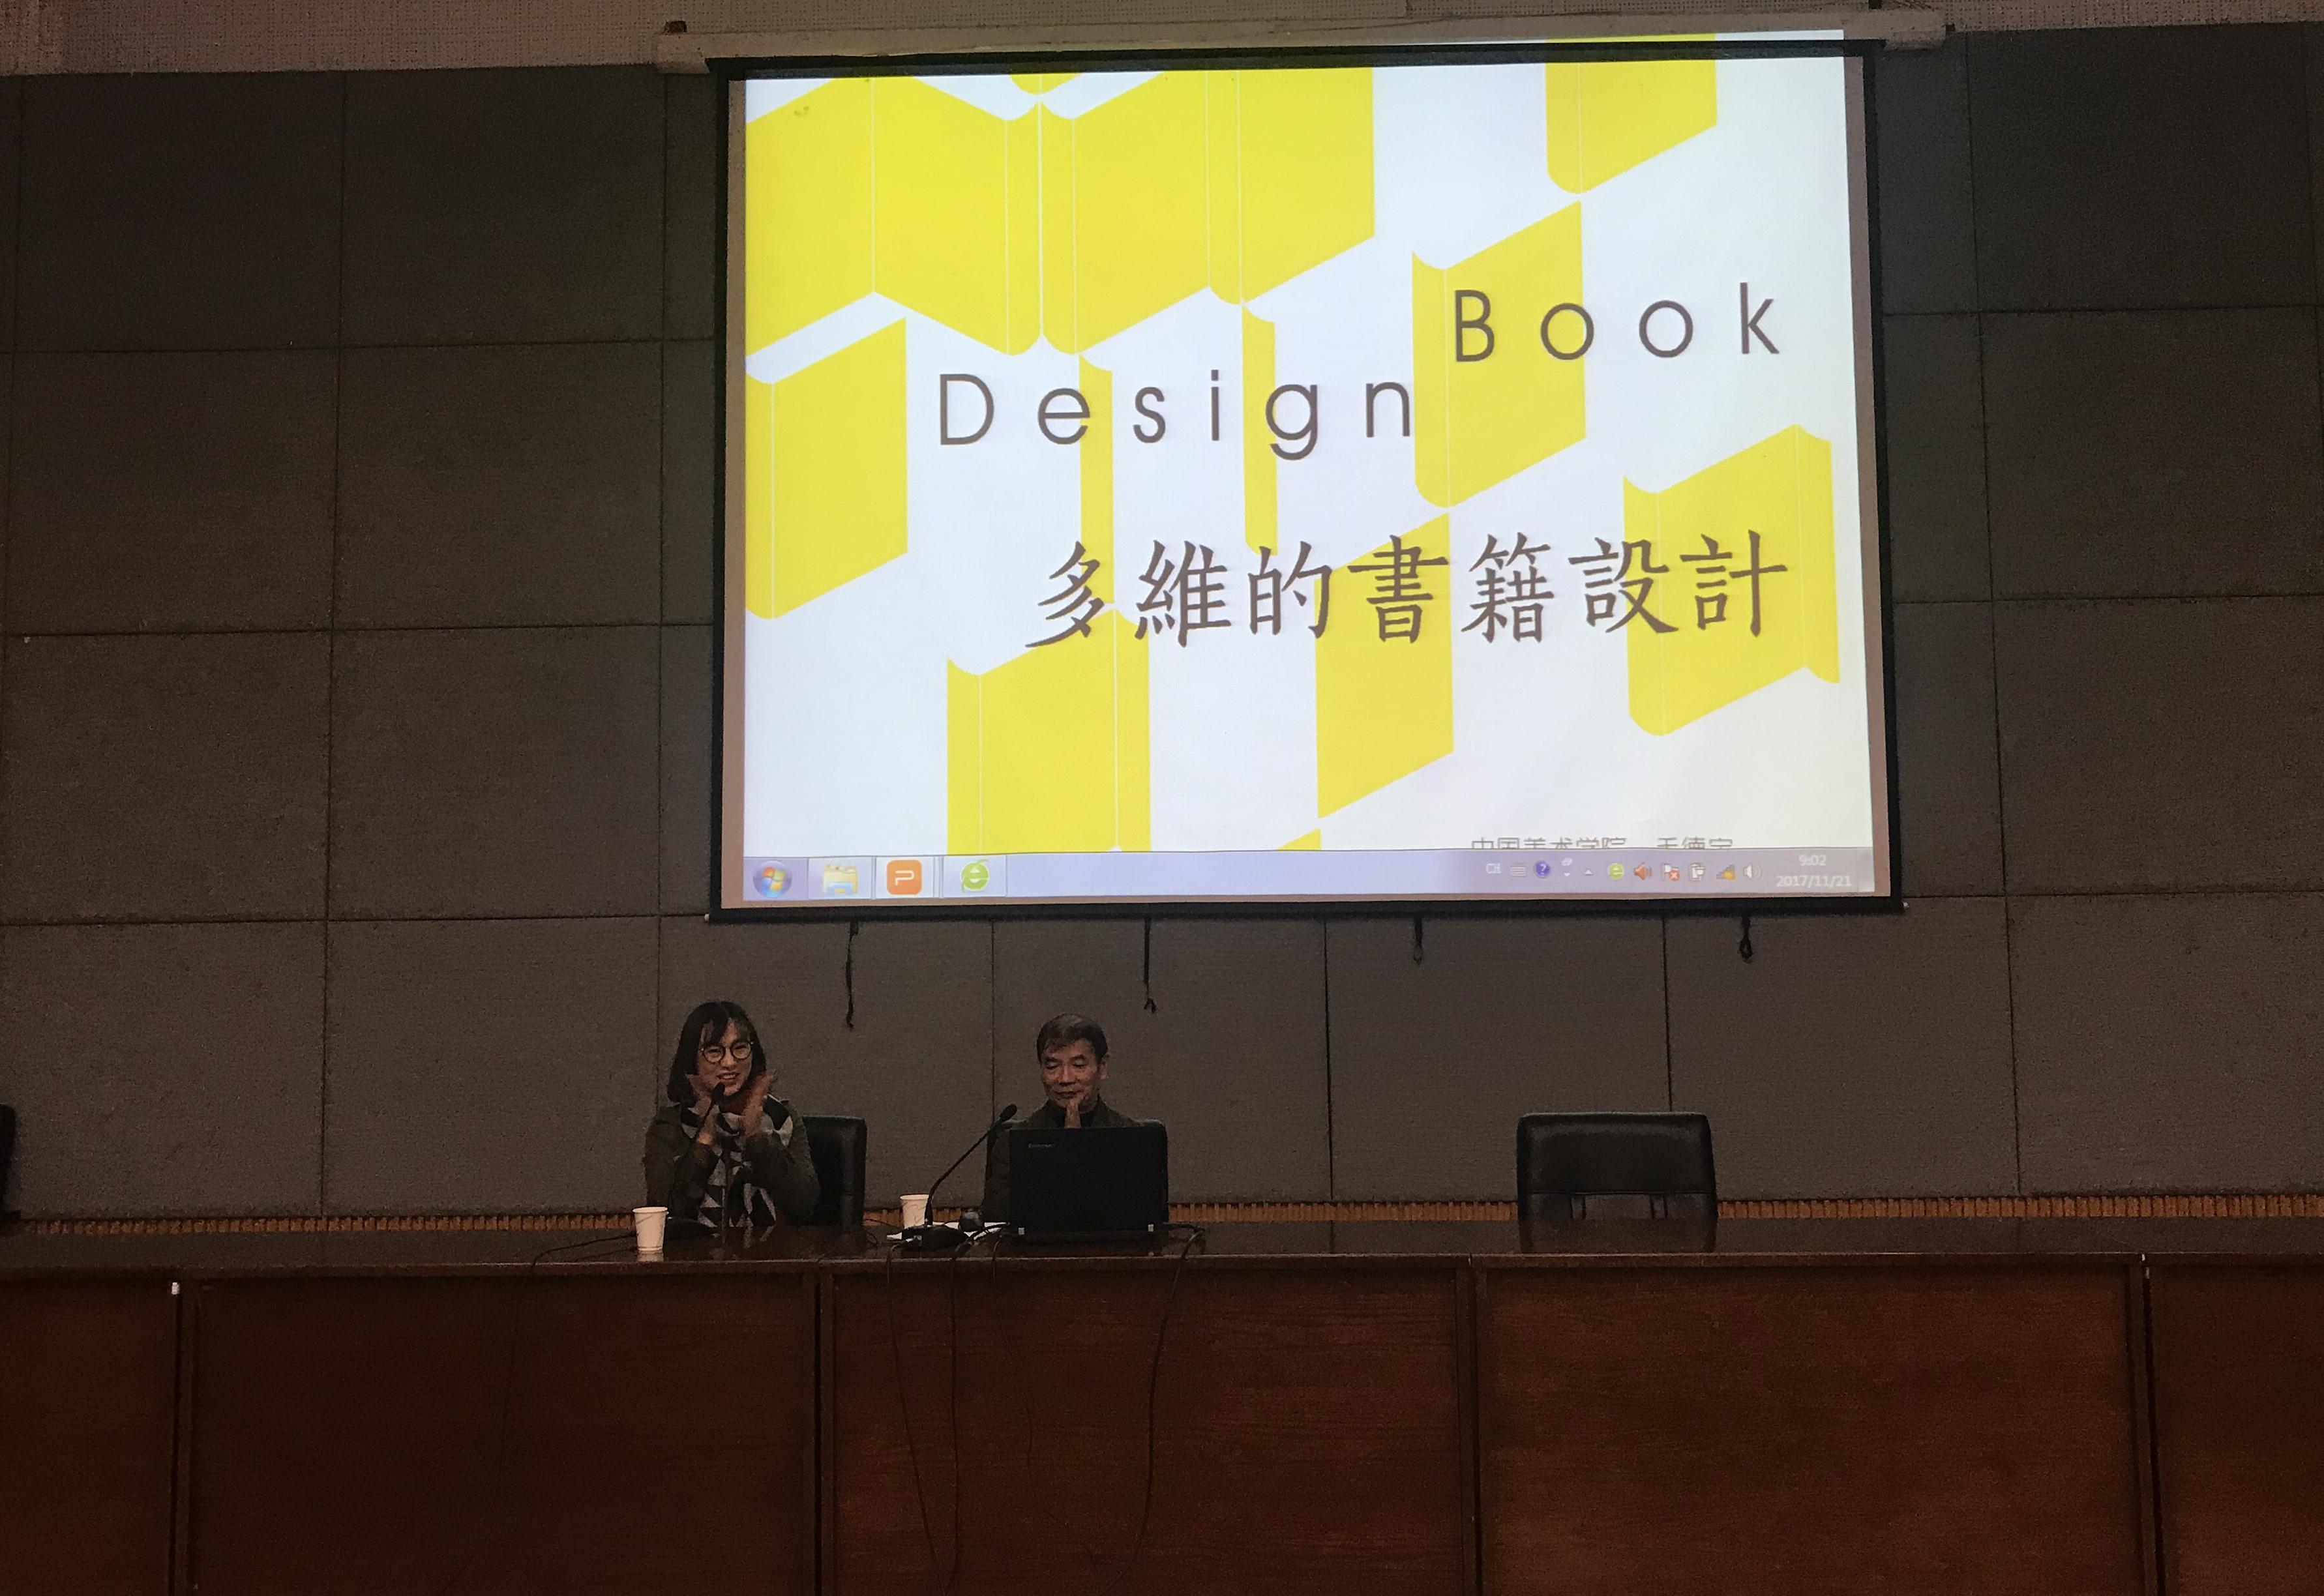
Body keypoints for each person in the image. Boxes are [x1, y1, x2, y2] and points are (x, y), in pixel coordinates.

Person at [644, 1000, 820, 1231]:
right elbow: (665, 1216)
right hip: (695, 1253)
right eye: (714, 1051)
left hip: (773, 1251)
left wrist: (757, 1137)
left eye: (740, 1048)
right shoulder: (670, 1125)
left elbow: (804, 1206)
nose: (729, 1062)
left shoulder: (780, 1118)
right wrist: (705, 1139)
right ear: (692, 1059)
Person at [980, 1012, 1135, 1224]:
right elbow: (996, 1220)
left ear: (1103, 1067)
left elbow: (1145, 1218)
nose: (1065, 1079)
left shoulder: (1133, 1139)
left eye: (1078, 1066)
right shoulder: (1012, 1141)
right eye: (1053, 1066)